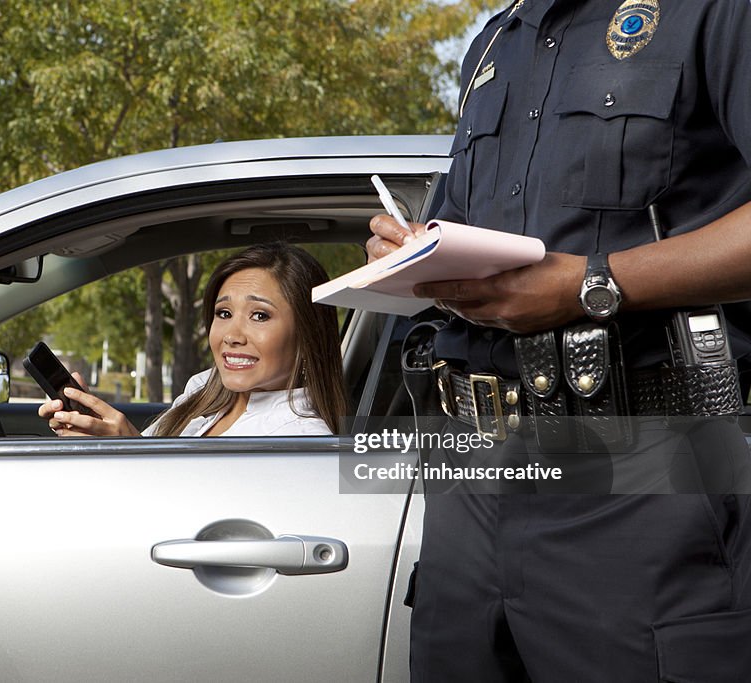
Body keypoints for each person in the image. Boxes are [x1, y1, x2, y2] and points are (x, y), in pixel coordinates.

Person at [367, 1, 751, 680]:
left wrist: (595, 283)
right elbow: (468, 232)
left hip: (647, 475)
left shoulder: (713, 12)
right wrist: (409, 252)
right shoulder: (496, 41)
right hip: (475, 475)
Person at [39, 242, 347, 437]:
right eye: (224, 313)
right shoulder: (201, 393)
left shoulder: (302, 441)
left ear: (308, 335)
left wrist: (129, 451)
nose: (232, 336)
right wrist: (94, 432)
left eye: (260, 316)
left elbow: (207, 530)